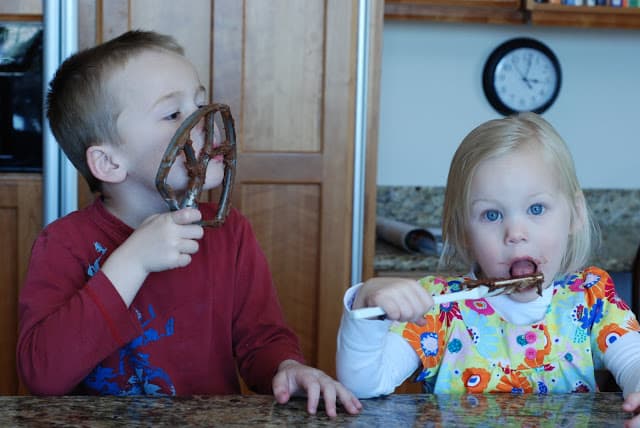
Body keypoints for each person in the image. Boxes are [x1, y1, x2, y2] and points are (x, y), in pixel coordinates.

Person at [17, 30, 361, 418]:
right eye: (173, 113)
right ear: (110, 163)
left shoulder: (228, 231)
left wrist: (288, 368)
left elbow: (261, 342)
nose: (203, 121)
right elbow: (43, 374)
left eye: (199, 102)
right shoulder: (63, 244)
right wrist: (132, 261)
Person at [336, 113, 640, 422]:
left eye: (536, 209)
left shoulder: (590, 299)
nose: (515, 233)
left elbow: (633, 362)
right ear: (462, 234)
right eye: (492, 215)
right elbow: (363, 386)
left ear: (574, 214)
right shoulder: (438, 310)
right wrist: (367, 300)